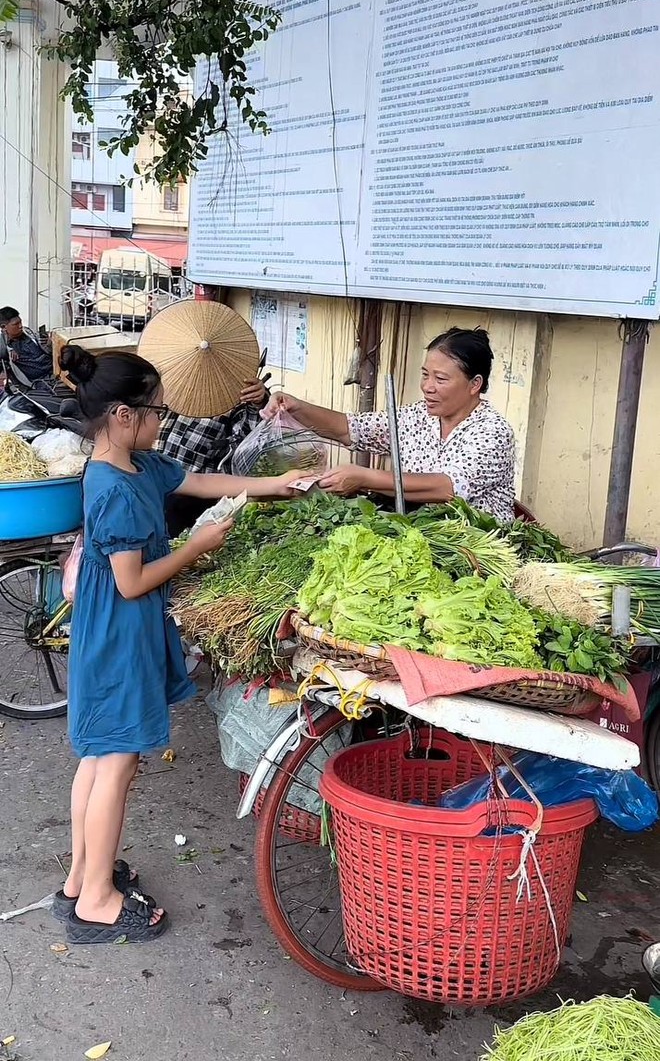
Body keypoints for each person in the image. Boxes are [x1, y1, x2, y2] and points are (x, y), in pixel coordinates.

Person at [55, 343, 302, 945]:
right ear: (122, 415)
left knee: (100, 756)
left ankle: (80, 877)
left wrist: (276, 484)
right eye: (157, 411)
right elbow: (131, 580)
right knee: (116, 761)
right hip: (120, 635)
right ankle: (97, 901)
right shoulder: (113, 488)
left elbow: (199, 478)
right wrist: (197, 548)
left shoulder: (133, 466)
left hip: (117, 629)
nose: (164, 422)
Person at [262, 327, 515, 523]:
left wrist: (364, 477)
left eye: (441, 379)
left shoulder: (492, 432)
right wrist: (296, 407)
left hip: (476, 545)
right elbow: (351, 429)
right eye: (425, 375)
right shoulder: (417, 416)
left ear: (475, 384)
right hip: (419, 532)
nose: (428, 387)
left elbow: (447, 487)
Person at [155, 378, 269, 537]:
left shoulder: (231, 399)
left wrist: (259, 402)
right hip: (155, 490)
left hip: (193, 499)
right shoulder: (171, 390)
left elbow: (254, 438)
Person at [0, 307, 54, 384]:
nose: (20, 326)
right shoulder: (3, 346)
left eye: (20, 322)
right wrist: (8, 350)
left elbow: (42, 352)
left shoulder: (27, 333)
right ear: (3, 327)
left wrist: (49, 345)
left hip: (53, 368)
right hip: (42, 382)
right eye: (16, 324)